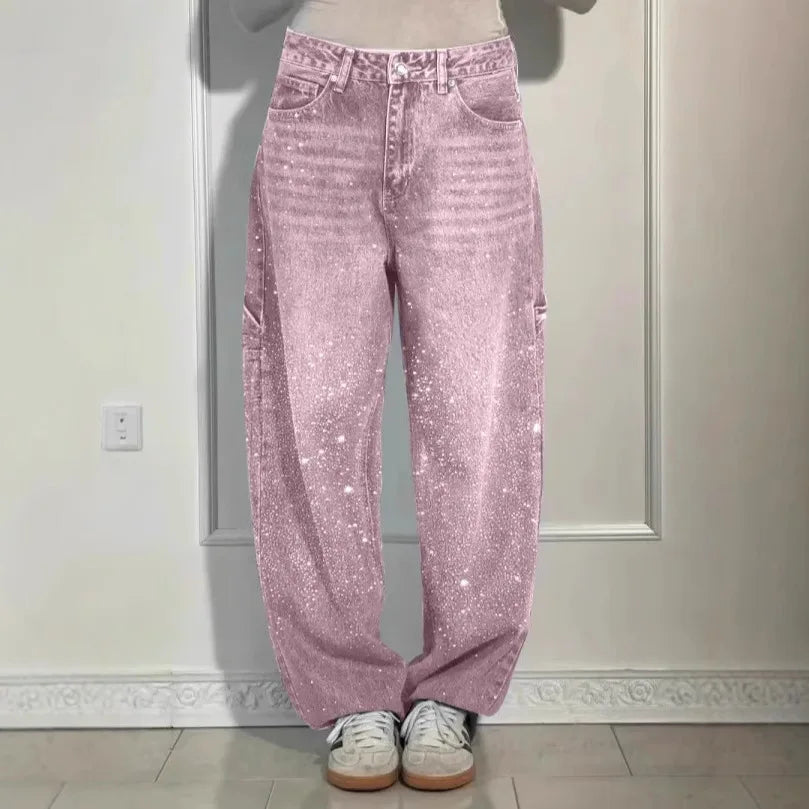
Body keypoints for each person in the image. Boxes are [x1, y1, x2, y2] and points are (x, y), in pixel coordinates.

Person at [239, 0, 548, 792]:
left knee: (478, 408)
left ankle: (453, 693)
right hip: (320, 103)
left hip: (469, 103)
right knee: (314, 410)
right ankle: (351, 696)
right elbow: (245, 11)